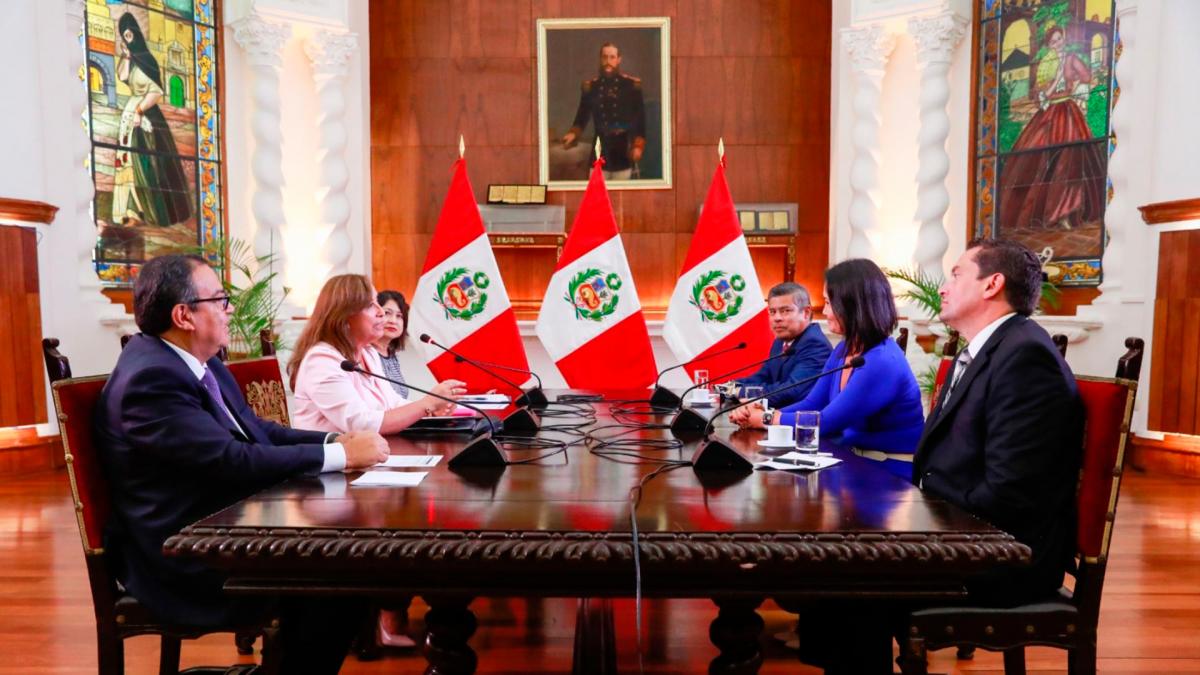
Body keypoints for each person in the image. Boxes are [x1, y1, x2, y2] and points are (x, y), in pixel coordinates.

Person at [95, 254, 389, 673]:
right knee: (342, 579)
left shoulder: (199, 361)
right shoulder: (151, 379)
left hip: (221, 530)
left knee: (349, 566)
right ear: (184, 315)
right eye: (220, 299)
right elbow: (230, 460)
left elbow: (257, 431)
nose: (230, 309)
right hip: (183, 557)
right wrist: (341, 456)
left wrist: (335, 440)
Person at [914, 238, 1083, 605]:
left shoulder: (1026, 358)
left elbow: (1008, 493)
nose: (943, 288)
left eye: (956, 275)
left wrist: (921, 517)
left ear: (992, 284)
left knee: (853, 579)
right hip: (966, 532)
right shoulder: (991, 348)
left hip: (1004, 555)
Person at [732, 261, 924, 479]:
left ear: (852, 306)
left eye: (828, 303)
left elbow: (825, 422)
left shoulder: (882, 360)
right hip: (853, 463)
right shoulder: (845, 348)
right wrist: (757, 414)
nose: (824, 311)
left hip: (887, 474)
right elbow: (812, 405)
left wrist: (766, 418)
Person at [289, 274, 465, 436]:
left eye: (377, 303)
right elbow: (360, 424)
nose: (380, 312)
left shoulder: (369, 354)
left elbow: (393, 403)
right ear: (344, 316)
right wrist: (426, 404)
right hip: (330, 464)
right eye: (369, 305)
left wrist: (432, 410)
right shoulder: (321, 361)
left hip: (367, 458)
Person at [998, 24, 1105, 235]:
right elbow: (1041, 92)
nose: (1057, 44)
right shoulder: (1047, 63)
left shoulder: (1072, 58)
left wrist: (1075, 85)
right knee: (1037, 158)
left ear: (1064, 38)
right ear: (1049, 44)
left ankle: (1067, 212)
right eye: (1053, 42)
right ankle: (1041, 214)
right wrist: (1053, 81)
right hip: (1048, 113)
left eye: (1059, 39)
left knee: (1071, 161)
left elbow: (1086, 77)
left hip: (1067, 111)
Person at [112, 12, 191, 228]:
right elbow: (122, 76)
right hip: (131, 116)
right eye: (124, 36)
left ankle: (154, 210)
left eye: (129, 35)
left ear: (136, 34)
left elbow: (156, 91)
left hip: (147, 117)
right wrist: (126, 56)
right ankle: (132, 208)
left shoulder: (148, 60)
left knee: (148, 163)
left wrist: (139, 110)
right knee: (127, 161)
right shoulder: (133, 59)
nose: (128, 39)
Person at [732, 282, 832, 410]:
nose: (777, 318)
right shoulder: (780, 341)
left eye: (785, 311)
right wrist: (731, 386)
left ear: (806, 312)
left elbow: (791, 390)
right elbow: (764, 376)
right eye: (772, 312)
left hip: (800, 422)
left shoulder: (816, 345)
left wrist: (739, 391)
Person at [561, 42, 646, 180]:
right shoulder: (591, 87)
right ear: (600, 59)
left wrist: (638, 146)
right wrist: (573, 133)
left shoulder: (631, 86)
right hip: (600, 148)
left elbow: (639, 120)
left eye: (612, 57)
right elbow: (582, 115)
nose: (608, 61)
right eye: (605, 57)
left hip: (623, 149)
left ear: (619, 59)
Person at [372, 290, 411, 398]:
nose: (393, 321)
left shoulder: (392, 356)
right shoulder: (364, 353)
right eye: (387, 313)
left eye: (399, 316)